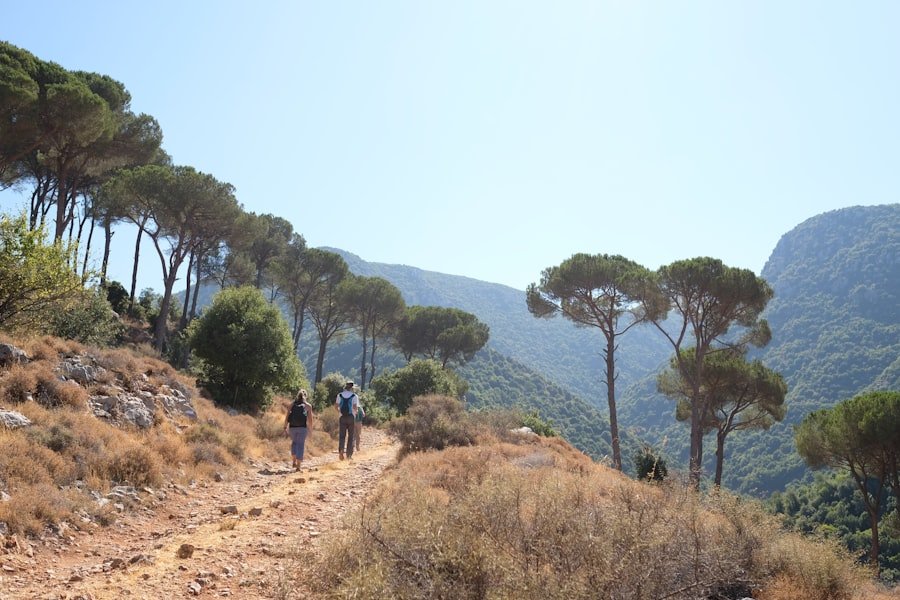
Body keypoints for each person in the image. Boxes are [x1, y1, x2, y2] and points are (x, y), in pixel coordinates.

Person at [284, 389, 313, 471]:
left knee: (294, 442)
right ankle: (299, 465)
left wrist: (285, 426)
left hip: (292, 427)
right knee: (301, 444)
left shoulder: (292, 404)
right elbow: (310, 420)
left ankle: (293, 461)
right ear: (306, 396)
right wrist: (310, 429)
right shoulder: (308, 406)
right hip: (302, 428)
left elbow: (287, 416)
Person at [334, 381, 359, 460]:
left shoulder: (340, 395)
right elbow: (355, 407)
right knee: (351, 436)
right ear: (352, 388)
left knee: (342, 436)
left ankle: (341, 450)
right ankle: (349, 455)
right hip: (351, 417)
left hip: (342, 417)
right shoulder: (354, 396)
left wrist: (340, 412)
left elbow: (336, 406)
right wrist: (356, 412)